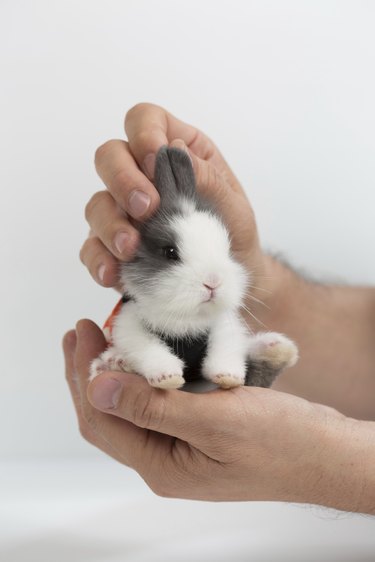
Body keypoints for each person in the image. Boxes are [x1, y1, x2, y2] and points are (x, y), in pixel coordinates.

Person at [63, 103, 375, 513]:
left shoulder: (217, 307)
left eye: (224, 254)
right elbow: (133, 334)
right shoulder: (143, 308)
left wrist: (335, 467)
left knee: (228, 347)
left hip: (208, 369)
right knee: (133, 352)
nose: (214, 278)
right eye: (173, 253)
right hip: (162, 370)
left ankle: (253, 366)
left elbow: (226, 335)